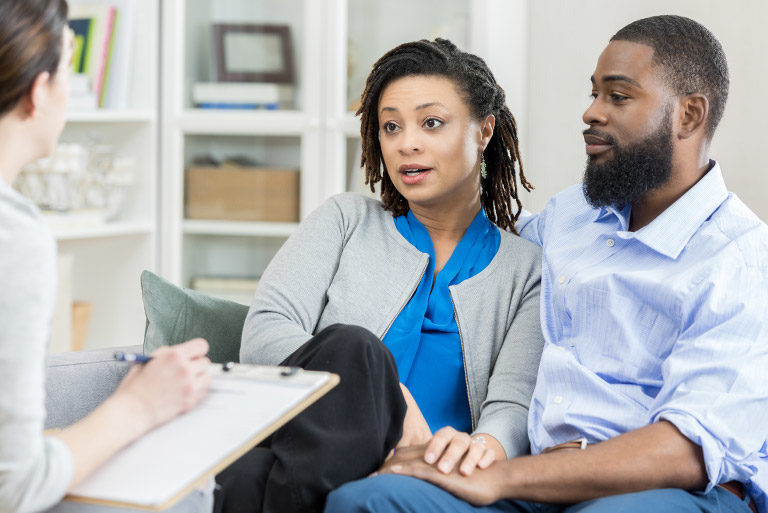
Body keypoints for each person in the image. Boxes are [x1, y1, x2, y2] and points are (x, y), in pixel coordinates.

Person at [325, 14, 768, 513]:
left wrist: (500, 477)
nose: (591, 112)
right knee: (367, 500)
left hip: (666, 493)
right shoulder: (572, 217)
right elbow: (478, 237)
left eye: (617, 97)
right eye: (594, 93)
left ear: (688, 115)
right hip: (538, 484)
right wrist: (433, 165)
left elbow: (688, 447)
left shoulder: (742, 257)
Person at [216, 38, 545, 512]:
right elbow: (265, 333)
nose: (406, 142)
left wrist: (480, 451)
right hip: (317, 448)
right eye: (391, 126)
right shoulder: (344, 220)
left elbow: (512, 405)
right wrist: (383, 392)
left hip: (431, 472)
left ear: (484, 131)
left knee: (250, 475)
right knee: (355, 350)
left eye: (431, 123)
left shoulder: (526, 269)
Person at [0, 2, 212, 512]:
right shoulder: (15, 236)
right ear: (38, 92)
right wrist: (137, 407)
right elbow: (14, 486)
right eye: (69, 74)